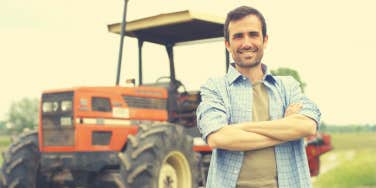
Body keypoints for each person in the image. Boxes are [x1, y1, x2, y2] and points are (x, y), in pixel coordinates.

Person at [196, 6, 321, 188]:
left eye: (253, 34)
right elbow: (218, 138)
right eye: (238, 36)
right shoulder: (215, 87)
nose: (246, 43)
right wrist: (285, 129)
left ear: (265, 40)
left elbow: (308, 126)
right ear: (227, 44)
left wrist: (240, 129)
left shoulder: (288, 85)